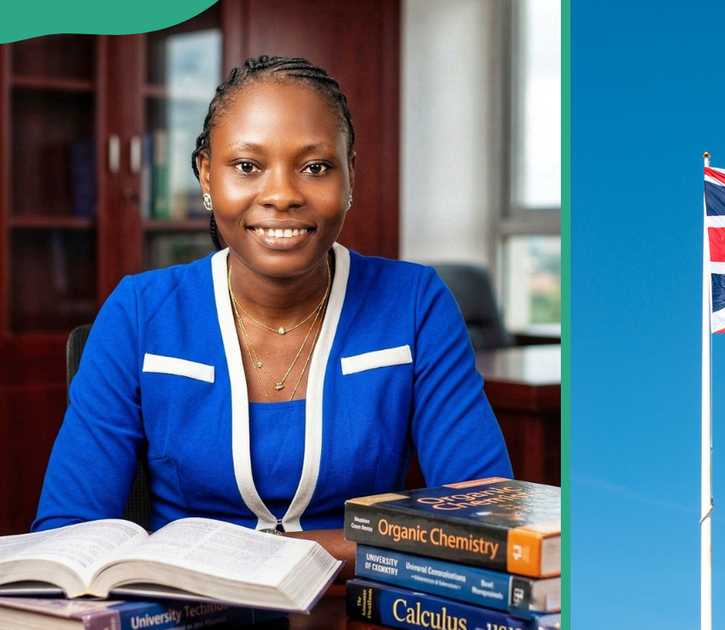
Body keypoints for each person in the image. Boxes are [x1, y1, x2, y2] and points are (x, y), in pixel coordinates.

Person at [32, 56, 513, 576]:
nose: (282, 195)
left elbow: (485, 518)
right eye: (247, 166)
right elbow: (68, 537)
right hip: (186, 611)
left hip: (356, 607)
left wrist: (284, 557)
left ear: (351, 173)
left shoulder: (415, 302)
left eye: (315, 167)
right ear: (205, 176)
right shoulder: (140, 312)